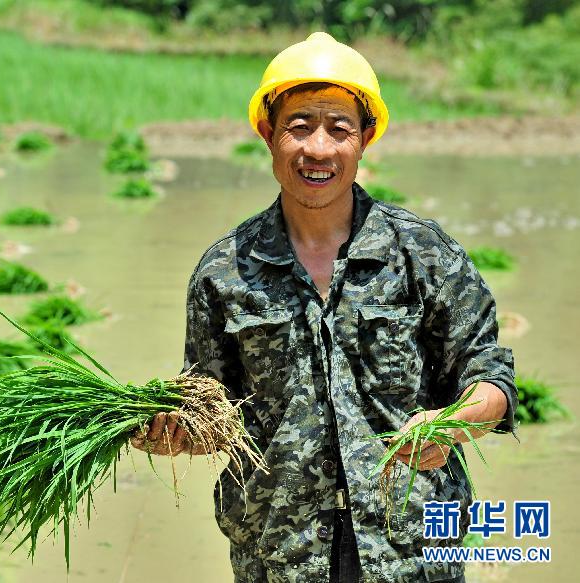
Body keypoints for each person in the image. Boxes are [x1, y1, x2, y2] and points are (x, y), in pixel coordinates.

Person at [131, 32, 518, 582]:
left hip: (412, 554)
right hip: (280, 554)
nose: (318, 148)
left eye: (339, 129)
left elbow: (491, 378)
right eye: (299, 126)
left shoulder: (422, 253)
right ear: (268, 135)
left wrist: (453, 424)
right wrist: (170, 430)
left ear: (365, 139)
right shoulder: (225, 271)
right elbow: (213, 412)